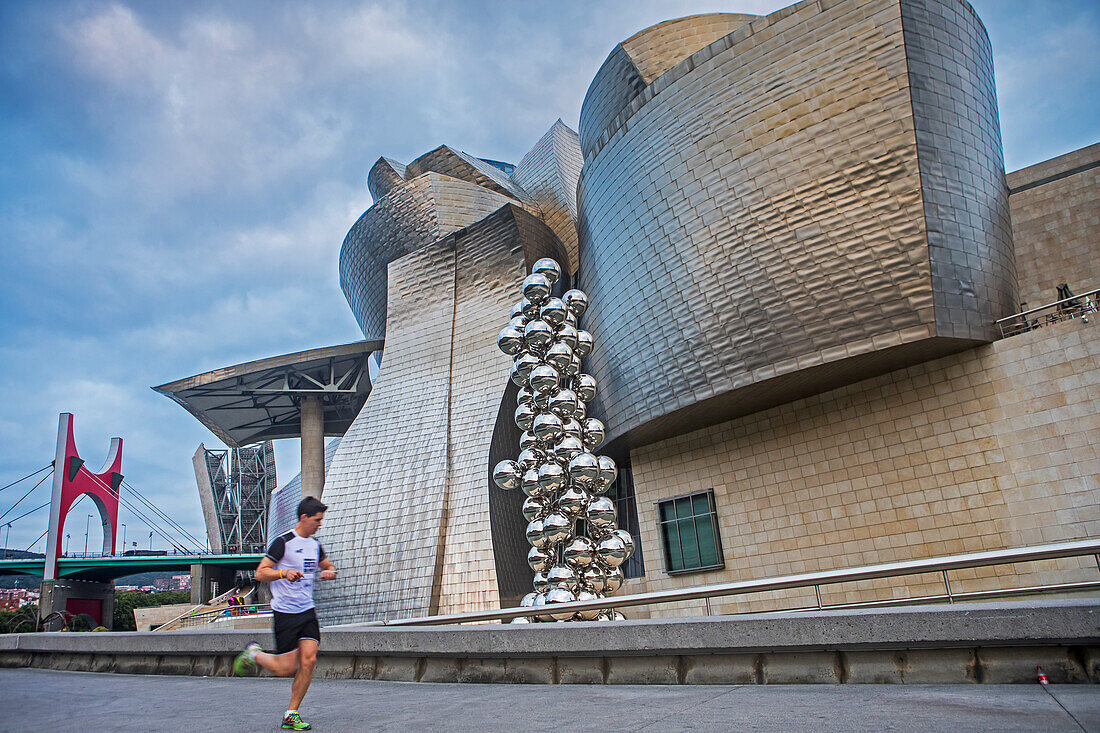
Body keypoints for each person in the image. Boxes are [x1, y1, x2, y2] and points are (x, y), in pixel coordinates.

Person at [232, 496, 337, 731]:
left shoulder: (315, 545)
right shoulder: (284, 542)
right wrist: (284, 574)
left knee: (309, 659)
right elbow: (261, 573)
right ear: (304, 518)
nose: (320, 524)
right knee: (285, 669)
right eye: (317, 520)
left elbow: (328, 565)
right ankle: (254, 654)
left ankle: (292, 713)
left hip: (307, 611)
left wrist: (330, 571)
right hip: (285, 613)